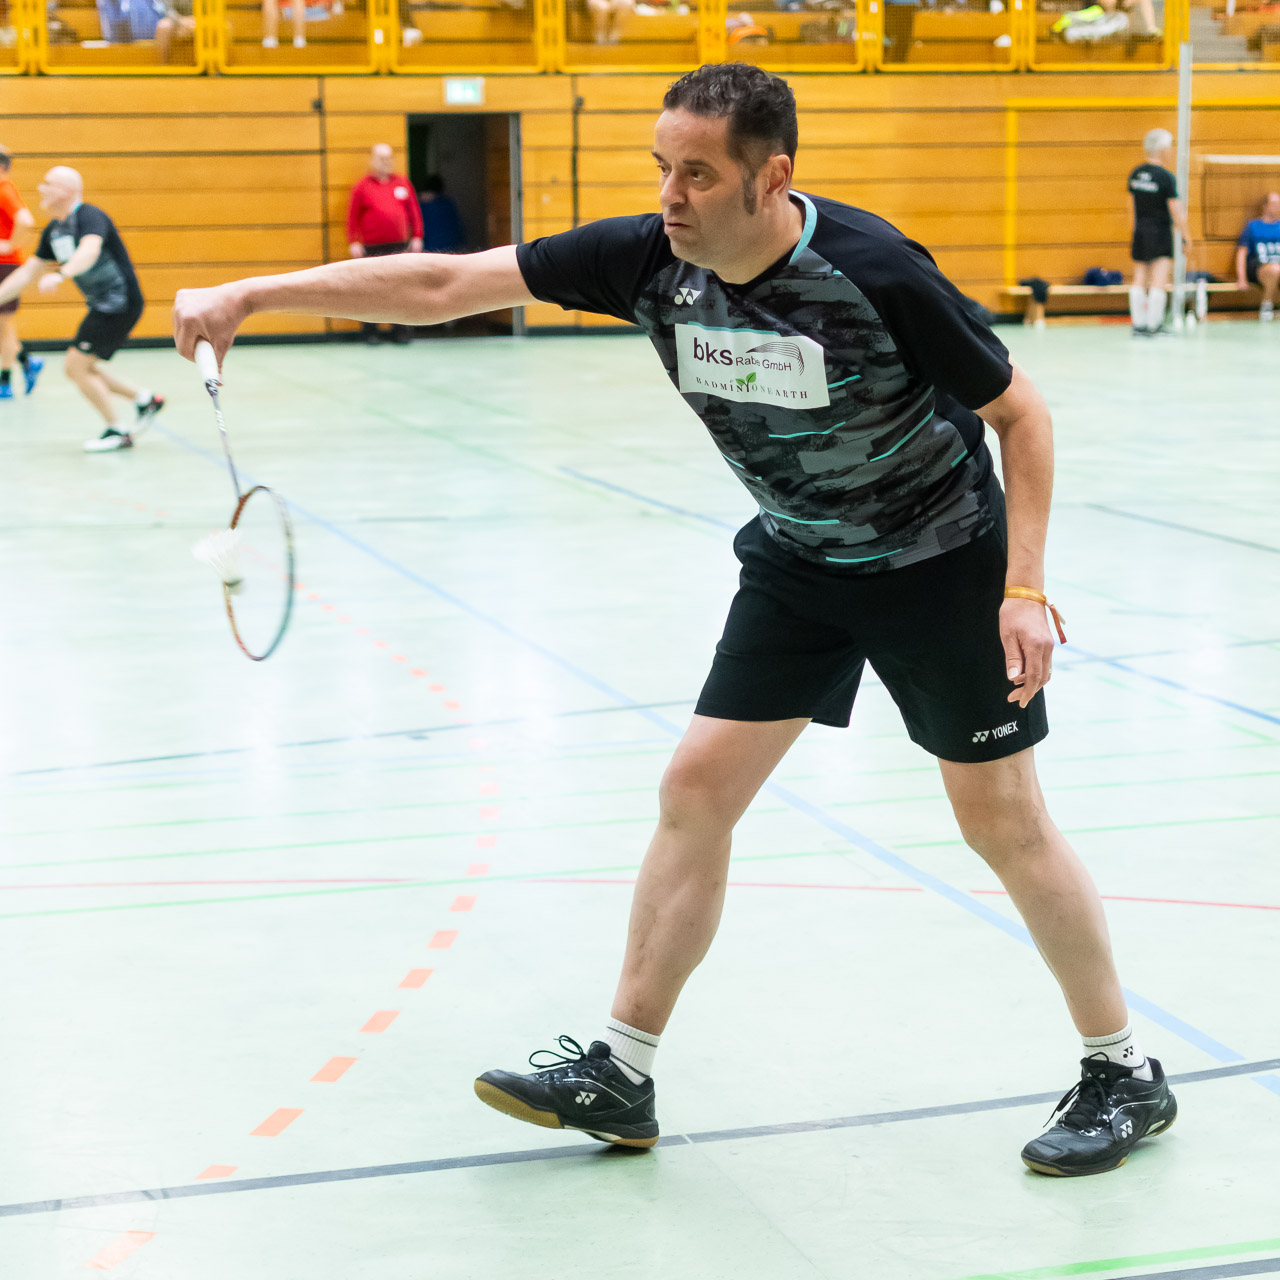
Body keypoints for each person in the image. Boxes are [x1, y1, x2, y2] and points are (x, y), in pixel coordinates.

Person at [173, 62, 1177, 1179]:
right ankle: (621, 1067)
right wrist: (252, 294)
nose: (670, 195)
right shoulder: (649, 260)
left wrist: (1022, 589)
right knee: (695, 789)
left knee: (1002, 822)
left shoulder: (873, 272)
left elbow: (1020, 415)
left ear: (770, 177)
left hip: (938, 562)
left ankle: (1123, 1069)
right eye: (661, 167)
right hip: (799, 559)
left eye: (697, 173)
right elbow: (446, 282)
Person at [0, 167, 163, 452]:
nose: (41, 189)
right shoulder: (55, 230)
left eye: (48, 184)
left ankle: (117, 430)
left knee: (76, 366)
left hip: (119, 302)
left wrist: (63, 274)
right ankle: (144, 399)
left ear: (66, 190)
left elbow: (90, 250)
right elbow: (27, 273)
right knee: (80, 366)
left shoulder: (90, 216)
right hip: (103, 305)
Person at [346, 144, 423, 344]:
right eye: (381, 158)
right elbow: (352, 217)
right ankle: (371, 332)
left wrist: (417, 236)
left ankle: (401, 331)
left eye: (388, 158)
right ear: (373, 160)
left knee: (401, 288)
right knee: (371, 289)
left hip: (399, 245)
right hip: (372, 246)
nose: (385, 162)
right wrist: (353, 241)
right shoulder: (362, 186)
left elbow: (414, 212)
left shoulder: (402, 183)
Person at [1127, 128, 1191, 336]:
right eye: (1170, 147)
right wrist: (1186, 237)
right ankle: (1154, 326)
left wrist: (1135, 232)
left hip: (1140, 231)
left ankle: (1138, 325)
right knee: (1158, 279)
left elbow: (1131, 208)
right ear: (1163, 150)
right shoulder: (1165, 177)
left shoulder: (1136, 173)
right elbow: (1176, 211)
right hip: (1160, 232)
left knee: (1139, 277)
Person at [0, 146, 43, 401]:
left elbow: (26, 220)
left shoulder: (3, 188)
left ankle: (5, 381)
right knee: (3, 325)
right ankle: (27, 361)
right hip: (4, 265)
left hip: (5, 266)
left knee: (3, 327)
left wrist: (9, 245)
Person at [1235, 190, 1280, 323]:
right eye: (1275, 204)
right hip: (1258, 267)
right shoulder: (1253, 226)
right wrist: (1241, 279)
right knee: (1274, 269)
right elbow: (1241, 253)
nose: (1278, 207)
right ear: (1265, 206)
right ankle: (1266, 305)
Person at [418, 175, 465, 255]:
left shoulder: (421, 205)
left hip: (428, 246)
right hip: (449, 245)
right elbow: (456, 225)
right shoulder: (447, 203)